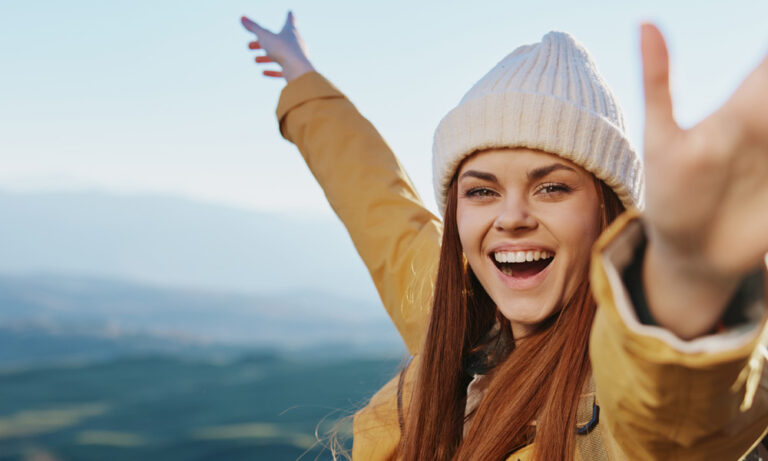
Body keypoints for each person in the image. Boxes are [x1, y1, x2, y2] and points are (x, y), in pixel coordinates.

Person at [241, 11, 768, 460]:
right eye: (482, 192)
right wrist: (303, 80)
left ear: (608, 215)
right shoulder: (457, 325)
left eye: (552, 187)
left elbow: (677, 419)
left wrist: (685, 283)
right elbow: (376, 203)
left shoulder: (618, 401)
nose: (511, 217)